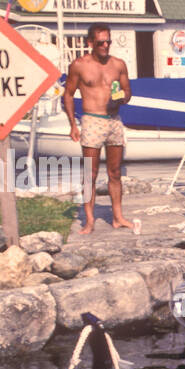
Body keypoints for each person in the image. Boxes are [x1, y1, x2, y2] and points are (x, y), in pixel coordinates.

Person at [63, 23, 131, 234]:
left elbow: (128, 91)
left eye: (108, 41)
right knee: (90, 173)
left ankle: (118, 217)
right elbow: (68, 94)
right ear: (90, 43)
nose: (105, 46)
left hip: (114, 120)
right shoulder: (79, 65)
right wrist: (73, 124)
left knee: (115, 172)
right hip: (92, 120)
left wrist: (120, 98)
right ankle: (89, 220)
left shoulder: (118, 64)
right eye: (100, 42)